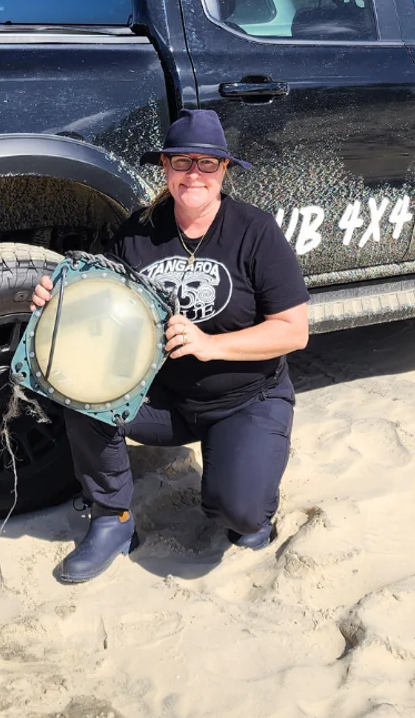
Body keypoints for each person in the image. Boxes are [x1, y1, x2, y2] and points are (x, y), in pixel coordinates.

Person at [30, 108, 310, 584]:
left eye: (207, 163)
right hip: (160, 400)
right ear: (165, 167)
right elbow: (100, 303)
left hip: (244, 399)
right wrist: (58, 300)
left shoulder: (255, 231)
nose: (193, 174)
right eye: (182, 163)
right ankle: (111, 519)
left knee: (240, 514)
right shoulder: (139, 231)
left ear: (224, 169)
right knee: (78, 388)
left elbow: (292, 330)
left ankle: (249, 496)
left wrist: (208, 344)